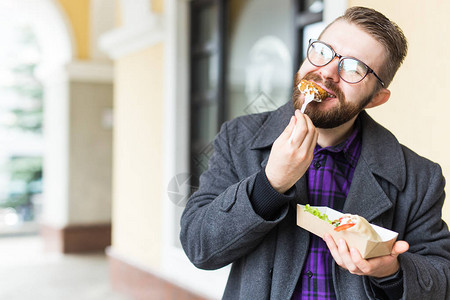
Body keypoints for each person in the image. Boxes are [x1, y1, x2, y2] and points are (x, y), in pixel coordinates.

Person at [180, 6, 450, 300]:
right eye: (323, 51)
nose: (327, 72)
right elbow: (199, 247)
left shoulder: (420, 178)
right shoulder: (238, 138)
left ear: (376, 99)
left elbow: (441, 279)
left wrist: (391, 272)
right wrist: (270, 184)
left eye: (354, 68)